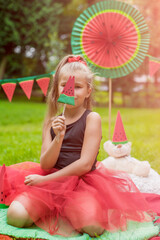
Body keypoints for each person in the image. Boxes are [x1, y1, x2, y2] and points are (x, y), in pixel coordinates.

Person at [0, 55, 155, 237]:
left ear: (88, 91)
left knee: (94, 227)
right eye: (64, 86)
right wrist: (58, 137)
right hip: (52, 178)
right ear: (57, 90)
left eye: (78, 87)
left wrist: (43, 181)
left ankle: (74, 211)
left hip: (83, 181)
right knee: (15, 216)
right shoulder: (51, 122)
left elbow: (84, 164)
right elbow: (46, 165)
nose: (71, 91)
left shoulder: (92, 119)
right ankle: (54, 210)